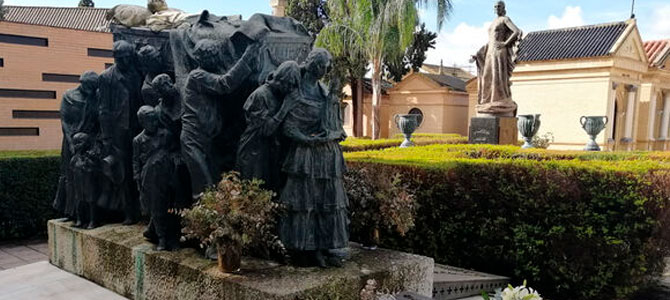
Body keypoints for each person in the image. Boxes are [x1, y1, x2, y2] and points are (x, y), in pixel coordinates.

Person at [278, 48, 349, 268]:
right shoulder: (294, 90)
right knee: (305, 203)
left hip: (326, 155)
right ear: (312, 64)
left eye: (326, 68)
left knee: (327, 202)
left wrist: (334, 133)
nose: (324, 71)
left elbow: (336, 125)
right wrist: (306, 139)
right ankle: (304, 250)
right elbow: (287, 126)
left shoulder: (324, 91)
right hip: (305, 155)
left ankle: (324, 245)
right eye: (321, 66)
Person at [180, 39, 259, 198]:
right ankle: (202, 221)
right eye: (214, 57)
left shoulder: (207, 73)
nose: (217, 60)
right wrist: (247, 57)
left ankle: (214, 220)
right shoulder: (197, 76)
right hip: (193, 140)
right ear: (206, 59)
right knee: (204, 187)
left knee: (214, 184)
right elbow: (224, 84)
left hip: (206, 139)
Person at [236, 61, 301, 193]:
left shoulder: (279, 94)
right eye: (289, 85)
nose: (290, 90)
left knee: (269, 195)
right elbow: (265, 130)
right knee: (253, 194)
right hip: (254, 152)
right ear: (281, 80)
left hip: (270, 152)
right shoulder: (260, 96)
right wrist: (285, 108)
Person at [98, 40, 143, 224]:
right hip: (118, 132)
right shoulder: (106, 77)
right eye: (120, 59)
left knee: (141, 168)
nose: (124, 62)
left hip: (138, 127)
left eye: (127, 58)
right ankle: (128, 212)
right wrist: (107, 136)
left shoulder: (137, 73)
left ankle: (143, 209)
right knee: (123, 173)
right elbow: (103, 109)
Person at [53, 71, 99, 220]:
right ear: (83, 83)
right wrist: (70, 142)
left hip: (88, 141)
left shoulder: (95, 98)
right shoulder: (69, 96)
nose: (91, 90)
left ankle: (93, 214)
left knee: (89, 176)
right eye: (89, 86)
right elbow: (64, 121)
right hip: (70, 140)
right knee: (69, 175)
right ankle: (70, 212)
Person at [133, 106, 180, 251]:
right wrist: (138, 179)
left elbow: (175, 151)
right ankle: (161, 239)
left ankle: (173, 238)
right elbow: (135, 161)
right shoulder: (138, 140)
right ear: (142, 122)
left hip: (168, 175)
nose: (154, 123)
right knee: (156, 208)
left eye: (155, 119)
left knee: (172, 206)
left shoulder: (166, 134)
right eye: (150, 120)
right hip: (150, 178)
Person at [471, 0, 522, 117]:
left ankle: (500, 99)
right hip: (490, 51)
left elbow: (516, 31)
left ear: (503, 8)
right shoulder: (494, 21)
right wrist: (478, 54)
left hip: (499, 52)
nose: (496, 8)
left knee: (498, 77)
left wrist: (505, 43)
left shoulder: (505, 19)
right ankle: (489, 100)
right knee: (487, 77)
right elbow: (490, 41)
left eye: (499, 6)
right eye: (495, 6)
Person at [70, 132, 100, 229]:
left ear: (87, 143)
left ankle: (93, 221)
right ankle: (80, 220)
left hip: (89, 183)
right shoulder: (75, 158)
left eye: (80, 142)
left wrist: (89, 161)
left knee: (91, 202)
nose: (77, 145)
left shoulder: (90, 156)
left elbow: (95, 168)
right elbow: (72, 168)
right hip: (78, 184)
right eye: (75, 143)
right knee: (78, 201)